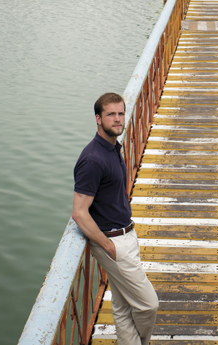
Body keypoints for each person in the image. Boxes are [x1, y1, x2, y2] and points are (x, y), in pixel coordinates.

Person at [72, 92, 159, 345]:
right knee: (148, 304)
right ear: (98, 119)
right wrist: (107, 245)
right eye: (111, 114)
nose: (118, 119)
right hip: (113, 243)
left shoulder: (113, 148)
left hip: (126, 235)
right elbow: (79, 212)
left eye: (121, 113)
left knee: (122, 308)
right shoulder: (92, 159)